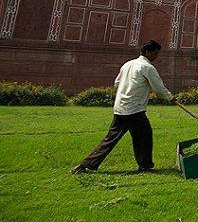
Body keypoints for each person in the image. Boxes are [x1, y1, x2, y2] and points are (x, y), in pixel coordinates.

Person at [70, 40, 175, 174]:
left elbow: (117, 83)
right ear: (147, 52)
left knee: (110, 139)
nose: (156, 56)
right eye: (155, 53)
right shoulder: (147, 67)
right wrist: (170, 97)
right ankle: (145, 166)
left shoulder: (128, 64)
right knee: (144, 137)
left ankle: (84, 165)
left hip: (120, 108)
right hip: (134, 110)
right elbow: (158, 87)